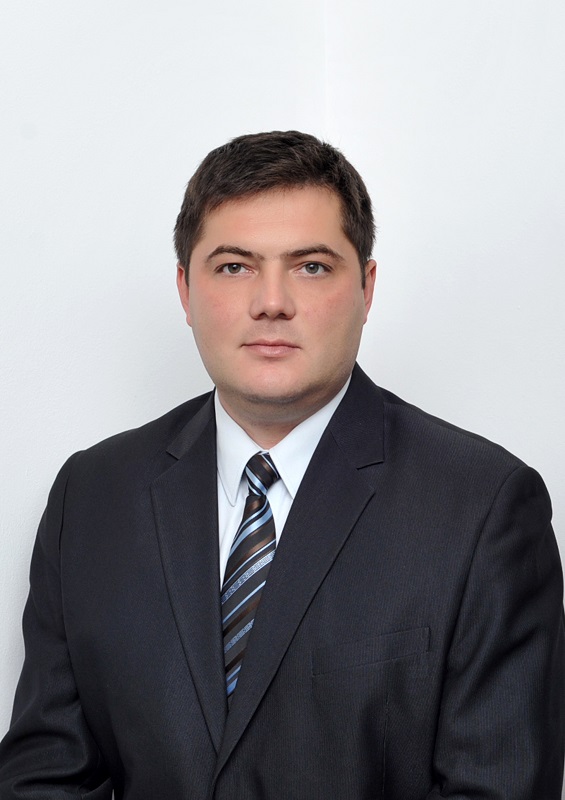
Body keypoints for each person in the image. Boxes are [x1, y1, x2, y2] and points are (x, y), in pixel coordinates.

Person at [0, 130, 563, 799]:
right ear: (184, 289)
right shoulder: (91, 497)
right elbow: (46, 778)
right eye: (234, 267)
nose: (271, 301)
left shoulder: (483, 508)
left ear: (366, 288)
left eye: (311, 267)